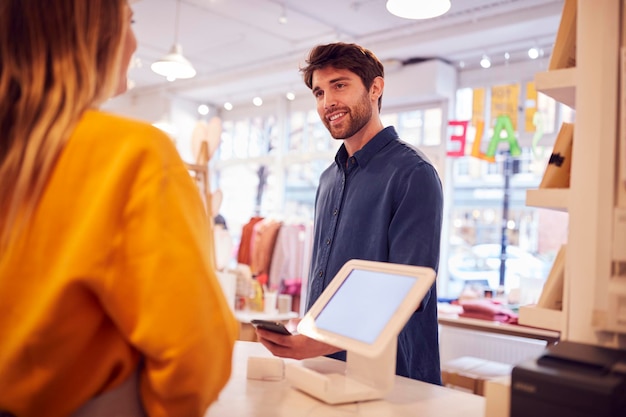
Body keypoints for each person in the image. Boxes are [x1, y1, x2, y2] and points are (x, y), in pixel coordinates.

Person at [0, 1, 237, 416]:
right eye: (128, 20)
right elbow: (196, 353)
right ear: (91, 29)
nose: (134, 40)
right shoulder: (131, 154)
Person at [255, 42, 443, 385]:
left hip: (393, 380)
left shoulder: (413, 174)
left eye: (340, 85)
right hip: (324, 370)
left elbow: (408, 293)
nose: (327, 103)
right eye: (318, 92)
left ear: (375, 88)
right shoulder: (328, 179)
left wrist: (311, 343)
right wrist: (307, 339)